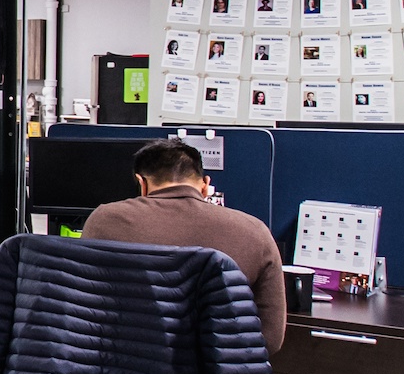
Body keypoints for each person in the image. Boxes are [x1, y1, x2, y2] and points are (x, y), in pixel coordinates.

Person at [80, 137, 287, 351]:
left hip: (127, 369)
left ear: (142, 183)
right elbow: (271, 338)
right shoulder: (255, 231)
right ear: (205, 186)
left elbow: (85, 311)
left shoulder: (105, 220)